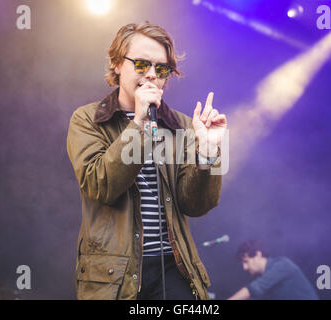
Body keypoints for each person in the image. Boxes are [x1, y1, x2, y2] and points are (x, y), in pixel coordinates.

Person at [66, 22, 227, 300]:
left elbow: (198, 205)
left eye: (161, 69)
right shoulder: (87, 119)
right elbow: (99, 185)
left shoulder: (183, 125)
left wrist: (208, 153)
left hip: (174, 269)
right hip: (114, 275)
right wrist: (139, 124)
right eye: (141, 65)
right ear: (117, 63)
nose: (152, 75)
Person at [228, 240, 319, 300]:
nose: (245, 267)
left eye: (246, 262)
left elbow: (254, 289)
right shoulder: (266, 280)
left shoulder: (282, 264)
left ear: (258, 255)